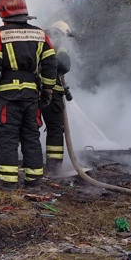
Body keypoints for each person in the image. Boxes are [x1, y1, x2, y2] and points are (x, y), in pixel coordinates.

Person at [0, 0, 57, 190]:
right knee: (31, 137)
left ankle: (8, 183)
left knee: (8, 139)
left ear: (4, 13)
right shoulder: (40, 34)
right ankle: (34, 181)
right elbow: (50, 64)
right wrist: (48, 90)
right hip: (31, 97)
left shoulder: (0, 34)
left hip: (8, 98)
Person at [41, 20, 73, 177]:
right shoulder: (60, 43)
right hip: (52, 93)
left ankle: (32, 164)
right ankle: (54, 168)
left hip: (31, 92)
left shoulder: (40, 39)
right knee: (55, 129)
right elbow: (64, 65)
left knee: (29, 128)